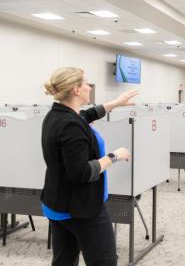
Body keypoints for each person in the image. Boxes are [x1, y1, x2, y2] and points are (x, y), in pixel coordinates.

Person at [41, 67, 138, 265]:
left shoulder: (57, 115)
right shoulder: (71, 125)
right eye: (86, 83)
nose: (89, 87)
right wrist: (114, 156)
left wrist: (115, 103)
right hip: (81, 209)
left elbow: (87, 115)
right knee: (104, 261)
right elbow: (81, 173)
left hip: (57, 203)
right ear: (76, 90)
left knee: (64, 260)